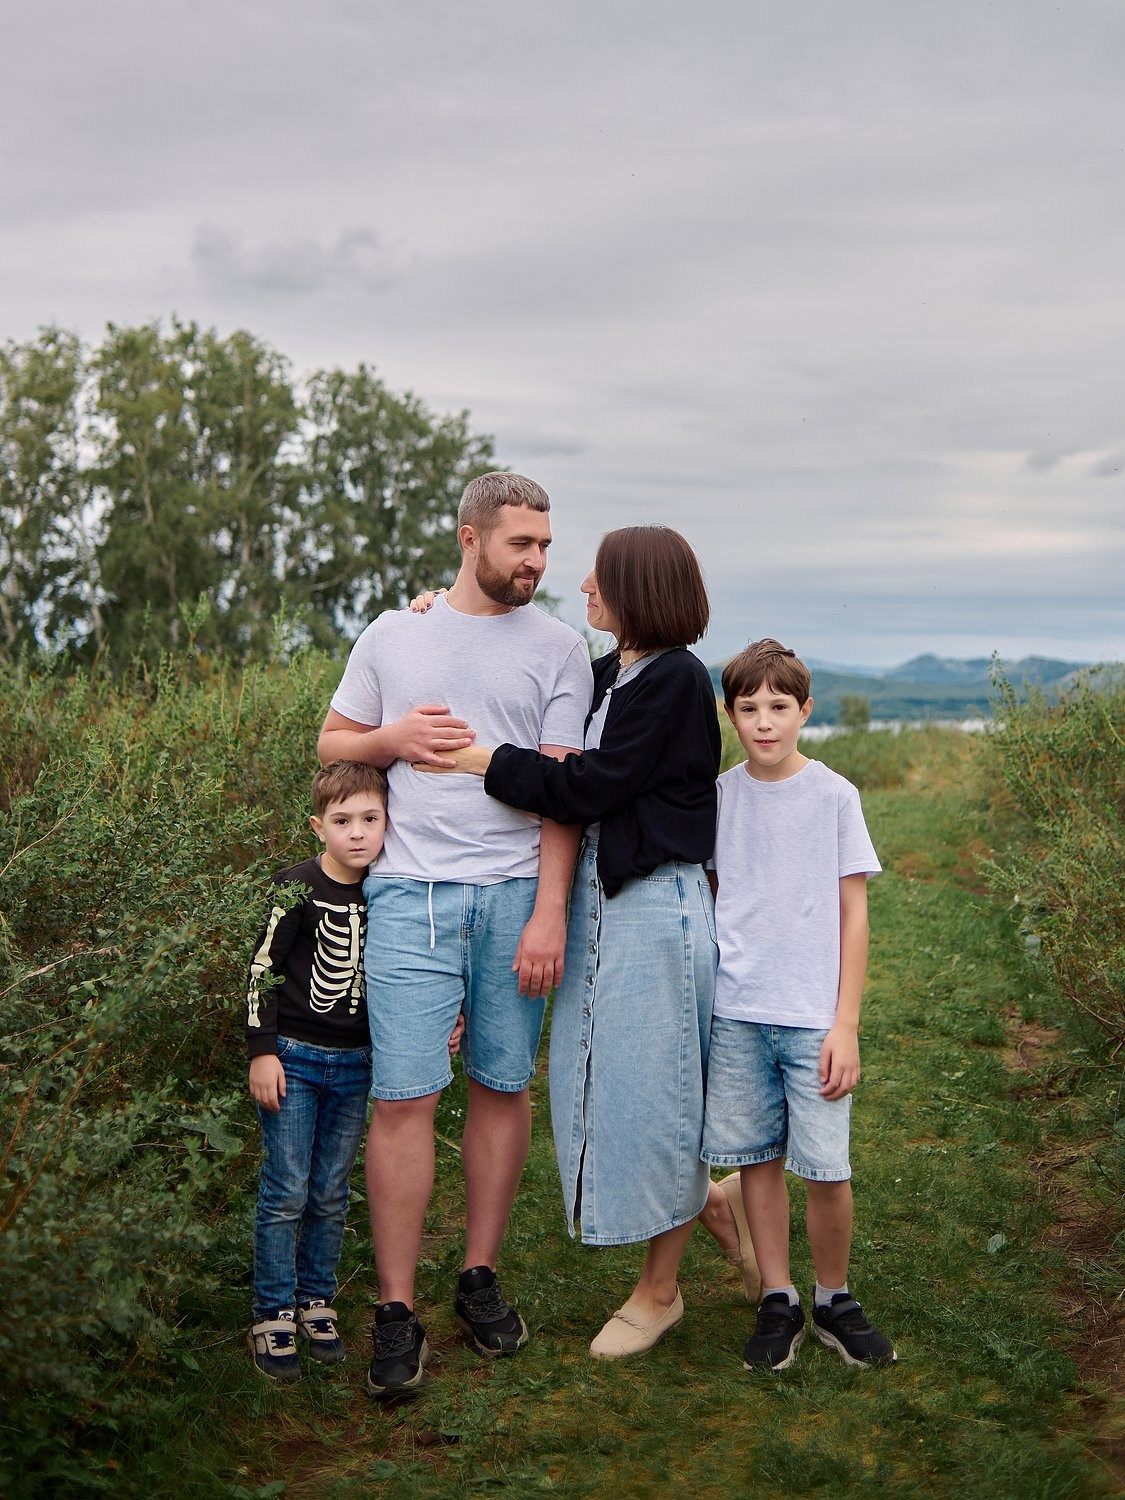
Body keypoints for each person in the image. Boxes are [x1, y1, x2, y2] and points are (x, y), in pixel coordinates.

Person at [417, 525, 749, 1357]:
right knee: (601, 1088)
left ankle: (660, 1290)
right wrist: (428, 614)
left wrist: (482, 763)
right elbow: (532, 703)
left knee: (658, 1093)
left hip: (654, 906)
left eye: (598, 575)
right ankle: (710, 1200)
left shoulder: (674, 679)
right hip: (603, 908)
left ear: (637, 586)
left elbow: (590, 785)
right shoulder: (611, 674)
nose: (583, 585)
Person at [317, 472, 593, 1399]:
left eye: (546, 545)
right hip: (409, 898)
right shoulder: (395, 633)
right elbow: (332, 743)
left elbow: (560, 793)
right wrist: (389, 737)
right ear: (470, 537)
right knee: (402, 1096)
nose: (538, 561)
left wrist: (550, 908)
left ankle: (478, 1272)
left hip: (516, 896)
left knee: (502, 1084)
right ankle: (395, 1311)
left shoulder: (561, 647)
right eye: (522, 544)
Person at [700, 639, 896, 1369]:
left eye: (778, 707)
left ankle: (831, 1298)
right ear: (729, 715)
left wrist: (844, 1023)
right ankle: (776, 1296)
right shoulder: (720, 796)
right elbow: (719, 892)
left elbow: (854, 914)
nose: (763, 721)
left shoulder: (834, 796)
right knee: (758, 1159)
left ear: (803, 709)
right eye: (747, 708)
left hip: (813, 1015)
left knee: (825, 1167)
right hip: (739, 1012)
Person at [245, 760, 388, 1382]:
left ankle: (315, 1300)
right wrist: (262, 1050)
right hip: (295, 1061)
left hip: (356, 1064)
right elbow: (261, 971)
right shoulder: (294, 887)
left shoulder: (390, 887)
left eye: (370, 819)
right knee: (286, 1188)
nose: (357, 833)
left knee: (332, 1189)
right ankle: (272, 1311)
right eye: (341, 821)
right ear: (318, 826)